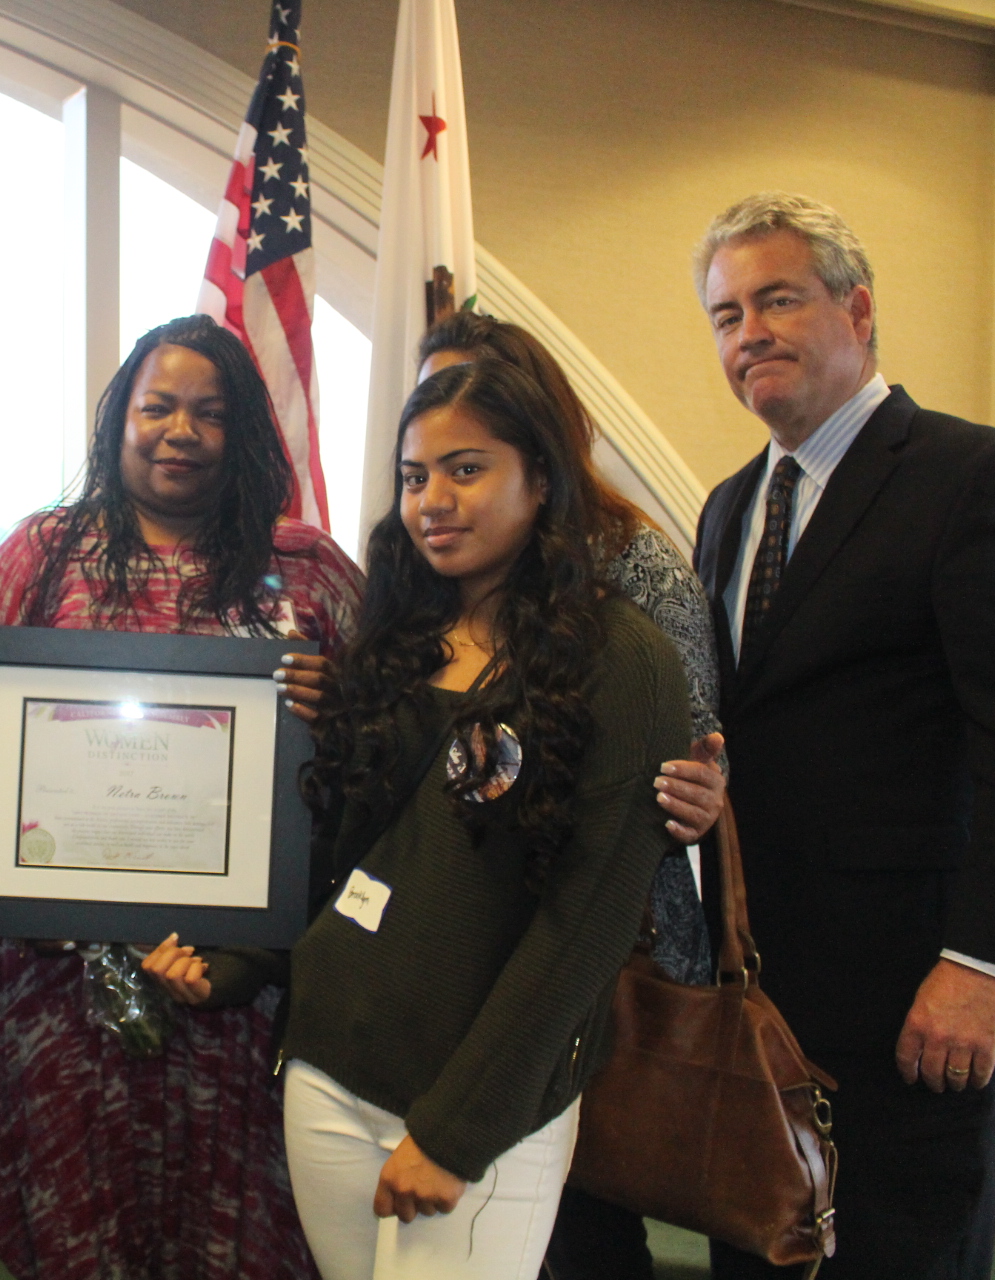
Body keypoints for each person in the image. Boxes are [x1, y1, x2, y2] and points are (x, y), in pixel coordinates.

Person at [690, 193, 995, 1277]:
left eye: (779, 300)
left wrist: (984, 963)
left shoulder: (984, 480)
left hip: (919, 996)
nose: (749, 333)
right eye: (727, 315)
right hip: (761, 990)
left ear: (858, 311)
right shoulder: (729, 506)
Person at [261, 358, 691, 1279]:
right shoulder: (398, 637)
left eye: (467, 469)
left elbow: (585, 928)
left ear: (542, 479)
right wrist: (236, 966)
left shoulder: (626, 659)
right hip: (329, 1068)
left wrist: (457, 1132)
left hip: (479, 1107)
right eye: (414, 476)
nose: (434, 502)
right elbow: (347, 859)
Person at [0, 314, 365, 1280]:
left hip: (244, 984)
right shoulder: (39, 556)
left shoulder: (309, 569)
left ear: (245, 430)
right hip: (60, 988)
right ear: (120, 420)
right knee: (80, 1220)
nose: (180, 431)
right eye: (158, 407)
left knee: (232, 1224)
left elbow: (389, 743)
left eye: (209, 412)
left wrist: (341, 707)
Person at [414, 315, 725, 1278]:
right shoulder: (426, 563)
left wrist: (701, 787)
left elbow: (692, 748)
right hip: (458, 939)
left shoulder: (632, 562)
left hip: (600, 943)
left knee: (585, 1224)